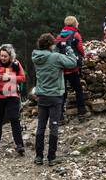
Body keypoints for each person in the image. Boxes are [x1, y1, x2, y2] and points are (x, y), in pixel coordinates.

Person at [31, 33, 78, 165]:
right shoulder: (56, 57)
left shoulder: (37, 58)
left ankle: (38, 156)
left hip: (42, 96)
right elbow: (73, 62)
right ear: (51, 45)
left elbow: (49, 58)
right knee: (54, 126)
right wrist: (68, 48)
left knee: (41, 126)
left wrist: (56, 49)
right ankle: (51, 157)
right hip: (55, 96)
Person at [0, 43, 27, 157]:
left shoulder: (16, 64)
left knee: (14, 119)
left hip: (12, 95)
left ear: (10, 56)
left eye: (5, 56)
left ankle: (19, 145)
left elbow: (23, 77)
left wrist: (10, 78)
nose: (2, 58)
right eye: (1, 55)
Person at [56, 15, 87, 121]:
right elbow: (80, 49)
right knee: (78, 90)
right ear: (74, 24)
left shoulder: (59, 36)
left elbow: (56, 50)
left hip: (62, 68)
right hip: (73, 67)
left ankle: (60, 117)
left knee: (62, 93)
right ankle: (81, 113)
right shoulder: (76, 35)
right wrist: (84, 55)